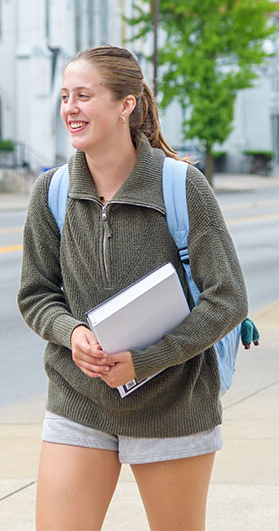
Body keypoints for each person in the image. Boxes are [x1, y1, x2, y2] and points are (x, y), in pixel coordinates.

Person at [17, 45, 249, 531]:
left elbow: (227, 299)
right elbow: (36, 292)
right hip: (78, 397)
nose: (70, 109)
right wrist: (72, 333)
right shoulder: (52, 192)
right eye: (64, 97)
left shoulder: (182, 187)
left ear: (126, 104)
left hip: (173, 403)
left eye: (84, 96)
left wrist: (145, 360)